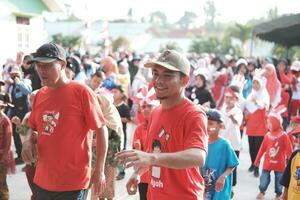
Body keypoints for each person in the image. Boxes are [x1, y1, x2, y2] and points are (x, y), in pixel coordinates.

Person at [116, 49, 208, 199]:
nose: (158, 80)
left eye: (167, 75)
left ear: (184, 80)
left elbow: (198, 156)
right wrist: (138, 173)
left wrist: (152, 159)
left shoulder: (194, 114)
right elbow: (154, 153)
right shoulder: (156, 112)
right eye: (155, 74)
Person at [21, 42, 108, 200]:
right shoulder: (39, 95)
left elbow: (101, 129)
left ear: (62, 64)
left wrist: (99, 170)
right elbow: (32, 127)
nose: (41, 70)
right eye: (38, 65)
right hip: (42, 180)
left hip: (72, 183)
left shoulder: (81, 92)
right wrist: (27, 141)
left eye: (47, 65)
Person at [87, 70, 124, 200]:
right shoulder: (94, 115)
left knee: (107, 186)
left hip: (110, 159)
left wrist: (98, 142)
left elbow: (117, 140)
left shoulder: (111, 117)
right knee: (94, 188)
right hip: (94, 158)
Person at [254, 106, 293, 200]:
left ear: (276, 122)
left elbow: (289, 149)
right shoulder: (267, 135)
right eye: (267, 123)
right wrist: (257, 160)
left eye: (270, 123)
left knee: (279, 180)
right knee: (263, 179)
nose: (268, 125)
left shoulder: (284, 135)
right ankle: (262, 191)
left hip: (280, 164)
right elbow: (262, 148)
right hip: (267, 163)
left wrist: (291, 161)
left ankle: (278, 194)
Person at [202, 109, 239, 200]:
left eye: (211, 123)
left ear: (220, 126)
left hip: (219, 188)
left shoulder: (225, 144)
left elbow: (232, 164)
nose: (207, 126)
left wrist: (223, 176)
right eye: (205, 123)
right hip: (204, 187)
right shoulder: (202, 142)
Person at [131, 85, 159, 200]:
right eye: (143, 106)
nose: (146, 109)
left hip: (158, 175)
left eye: (149, 106)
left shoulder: (160, 126)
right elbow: (135, 150)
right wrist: (137, 148)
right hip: (143, 174)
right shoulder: (139, 128)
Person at [244, 75, 269, 177]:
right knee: (251, 146)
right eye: (254, 83)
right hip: (251, 123)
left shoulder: (264, 94)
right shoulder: (251, 94)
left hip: (261, 124)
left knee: (258, 147)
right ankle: (252, 163)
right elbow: (246, 106)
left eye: (257, 83)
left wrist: (256, 101)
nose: (255, 85)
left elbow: (263, 106)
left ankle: (257, 167)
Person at [220, 86, 243, 192]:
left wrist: (232, 117)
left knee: (232, 165)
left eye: (231, 98)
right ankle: (223, 183)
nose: (228, 100)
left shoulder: (237, 111)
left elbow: (237, 122)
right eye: (227, 98)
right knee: (222, 164)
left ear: (236, 100)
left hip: (234, 143)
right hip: (223, 142)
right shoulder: (222, 110)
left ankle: (232, 187)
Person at [7, 65, 32, 164]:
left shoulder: (26, 82)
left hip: (25, 113)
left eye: (16, 74)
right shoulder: (11, 86)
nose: (14, 77)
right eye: (13, 75)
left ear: (21, 73)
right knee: (17, 135)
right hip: (15, 112)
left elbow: (27, 91)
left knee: (25, 133)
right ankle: (20, 155)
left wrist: (18, 82)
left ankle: (28, 154)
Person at [111, 85, 131, 180]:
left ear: (121, 94)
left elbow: (128, 119)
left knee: (121, 151)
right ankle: (112, 170)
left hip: (121, 133)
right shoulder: (111, 105)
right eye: (113, 92)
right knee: (113, 151)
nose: (114, 94)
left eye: (116, 92)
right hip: (111, 133)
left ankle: (122, 171)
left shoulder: (124, 107)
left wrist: (117, 118)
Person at [0, 92, 15, 200]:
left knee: (1, 183)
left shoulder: (5, 120)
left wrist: (4, 156)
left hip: (1, 155)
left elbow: (8, 140)